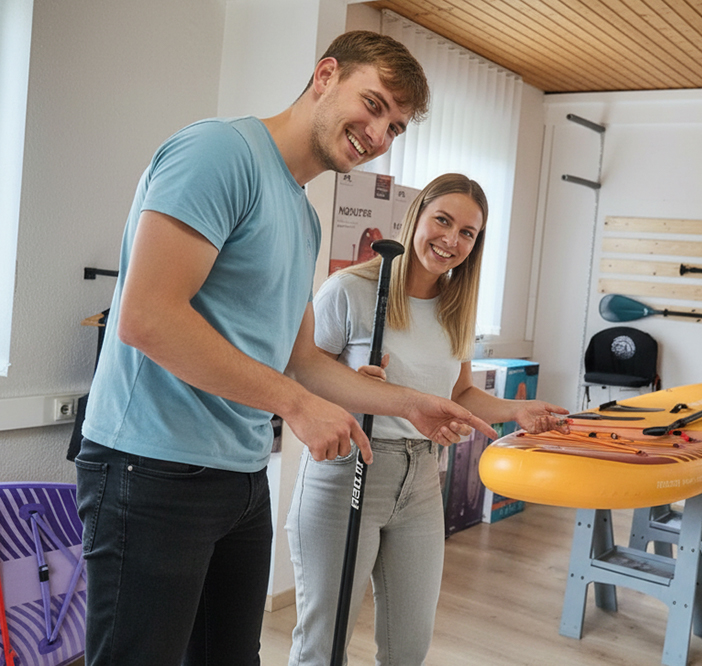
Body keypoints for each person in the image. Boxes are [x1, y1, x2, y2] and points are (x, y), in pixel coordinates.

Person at [75, 32, 496, 666]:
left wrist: (411, 403)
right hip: (150, 468)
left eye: (397, 128)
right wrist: (296, 406)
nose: (380, 136)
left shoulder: (302, 217)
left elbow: (302, 359)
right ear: (325, 75)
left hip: (240, 477)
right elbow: (147, 318)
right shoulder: (220, 154)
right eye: (374, 104)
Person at [285, 173, 570, 665]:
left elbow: (458, 392)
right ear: (416, 215)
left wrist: (515, 411)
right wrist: (353, 383)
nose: (451, 240)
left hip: (421, 481)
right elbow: (302, 375)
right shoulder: (349, 291)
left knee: (407, 648)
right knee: (323, 647)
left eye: (467, 233)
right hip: (347, 475)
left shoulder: (457, 308)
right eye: (443, 220)